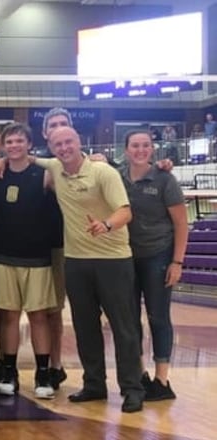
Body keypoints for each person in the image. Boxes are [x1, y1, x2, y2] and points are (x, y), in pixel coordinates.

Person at [40, 126, 144, 413]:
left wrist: (106, 225)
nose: (63, 148)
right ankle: (95, 384)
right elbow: (21, 156)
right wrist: (0, 162)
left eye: (68, 142)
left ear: (80, 141)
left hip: (113, 260)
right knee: (85, 327)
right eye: (57, 144)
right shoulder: (54, 168)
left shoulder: (103, 172)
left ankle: (133, 388)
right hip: (76, 261)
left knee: (124, 327)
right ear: (51, 147)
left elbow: (126, 211)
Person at [0, 123, 57, 399]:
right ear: (4, 146)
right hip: (5, 255)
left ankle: (43, 373)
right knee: (8, 317)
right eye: (10, 142)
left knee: (38, 316)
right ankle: (9, 371)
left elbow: (69, 166)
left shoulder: (44, 175)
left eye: (20, 141)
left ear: (29, 144)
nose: (15, 145)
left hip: (38, 258)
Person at [120, 130, 188, 402]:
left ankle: (161, 380)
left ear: (153, 149)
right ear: (126, 149)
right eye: (135, 145)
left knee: (158, 317)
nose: (140, 150)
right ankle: (139, 375)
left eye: (145, 145)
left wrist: (177, 261)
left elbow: (181, 223)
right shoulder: (117, 176)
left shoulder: (164, 179)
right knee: (129, 318)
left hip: (158, 255)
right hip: (125, 256)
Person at [39, 107, 72, 390]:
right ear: (45, 133)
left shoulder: (87, 163)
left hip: (62, 248)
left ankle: (56, 364)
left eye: (63, 124)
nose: (58, 129)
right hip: (30, 247)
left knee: (54, 311)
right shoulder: (36, 163)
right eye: (53, 125)